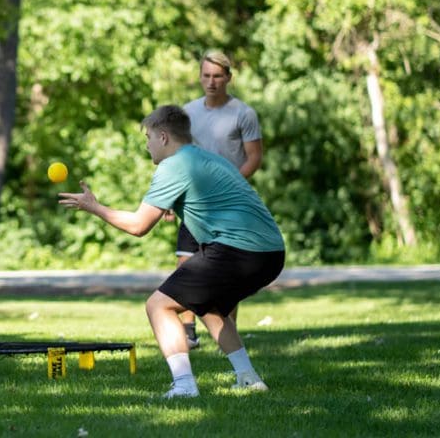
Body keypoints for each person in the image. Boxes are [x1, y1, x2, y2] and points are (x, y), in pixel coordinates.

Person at [59, 105, 284, 398]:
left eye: (149, 138)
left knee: (159, 305)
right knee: (209, 305)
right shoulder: (207, 158)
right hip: (271, 252)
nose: (147, 145)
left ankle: (185, 386)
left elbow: (139, 226)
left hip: (238, 249)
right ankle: (248, 378)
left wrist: (95, 207)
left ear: (163, 137)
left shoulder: (174, 165)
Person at [176, 50, 263, 348]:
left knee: (228, 271)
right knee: (185, 265)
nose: (211, 82)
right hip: (195, 201)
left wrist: (231, 184)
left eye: (217, 76)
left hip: (229, 204)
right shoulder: (187, 113)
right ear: (199, 77)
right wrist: (171, 197)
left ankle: (228, 331)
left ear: (228, 78)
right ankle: (188, 332)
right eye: (206, 76)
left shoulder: (243, 114)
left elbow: (254, 157)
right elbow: (177, 157)